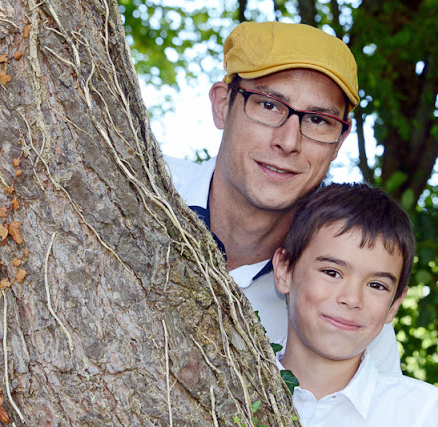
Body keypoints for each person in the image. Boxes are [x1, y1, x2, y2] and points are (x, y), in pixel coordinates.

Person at [165, 21, 400, 372]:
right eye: (269, 106)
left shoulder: (346, 314)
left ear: (340, 141)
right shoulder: (137, 187)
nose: (288, 141)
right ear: (222, 104)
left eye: (319, 121)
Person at [271, 183, 438, 426]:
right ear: (285, 270)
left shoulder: (423, 413)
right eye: (332, 272)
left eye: (377, 285)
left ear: (394, 305)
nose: (352, 299)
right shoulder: (230, 384)